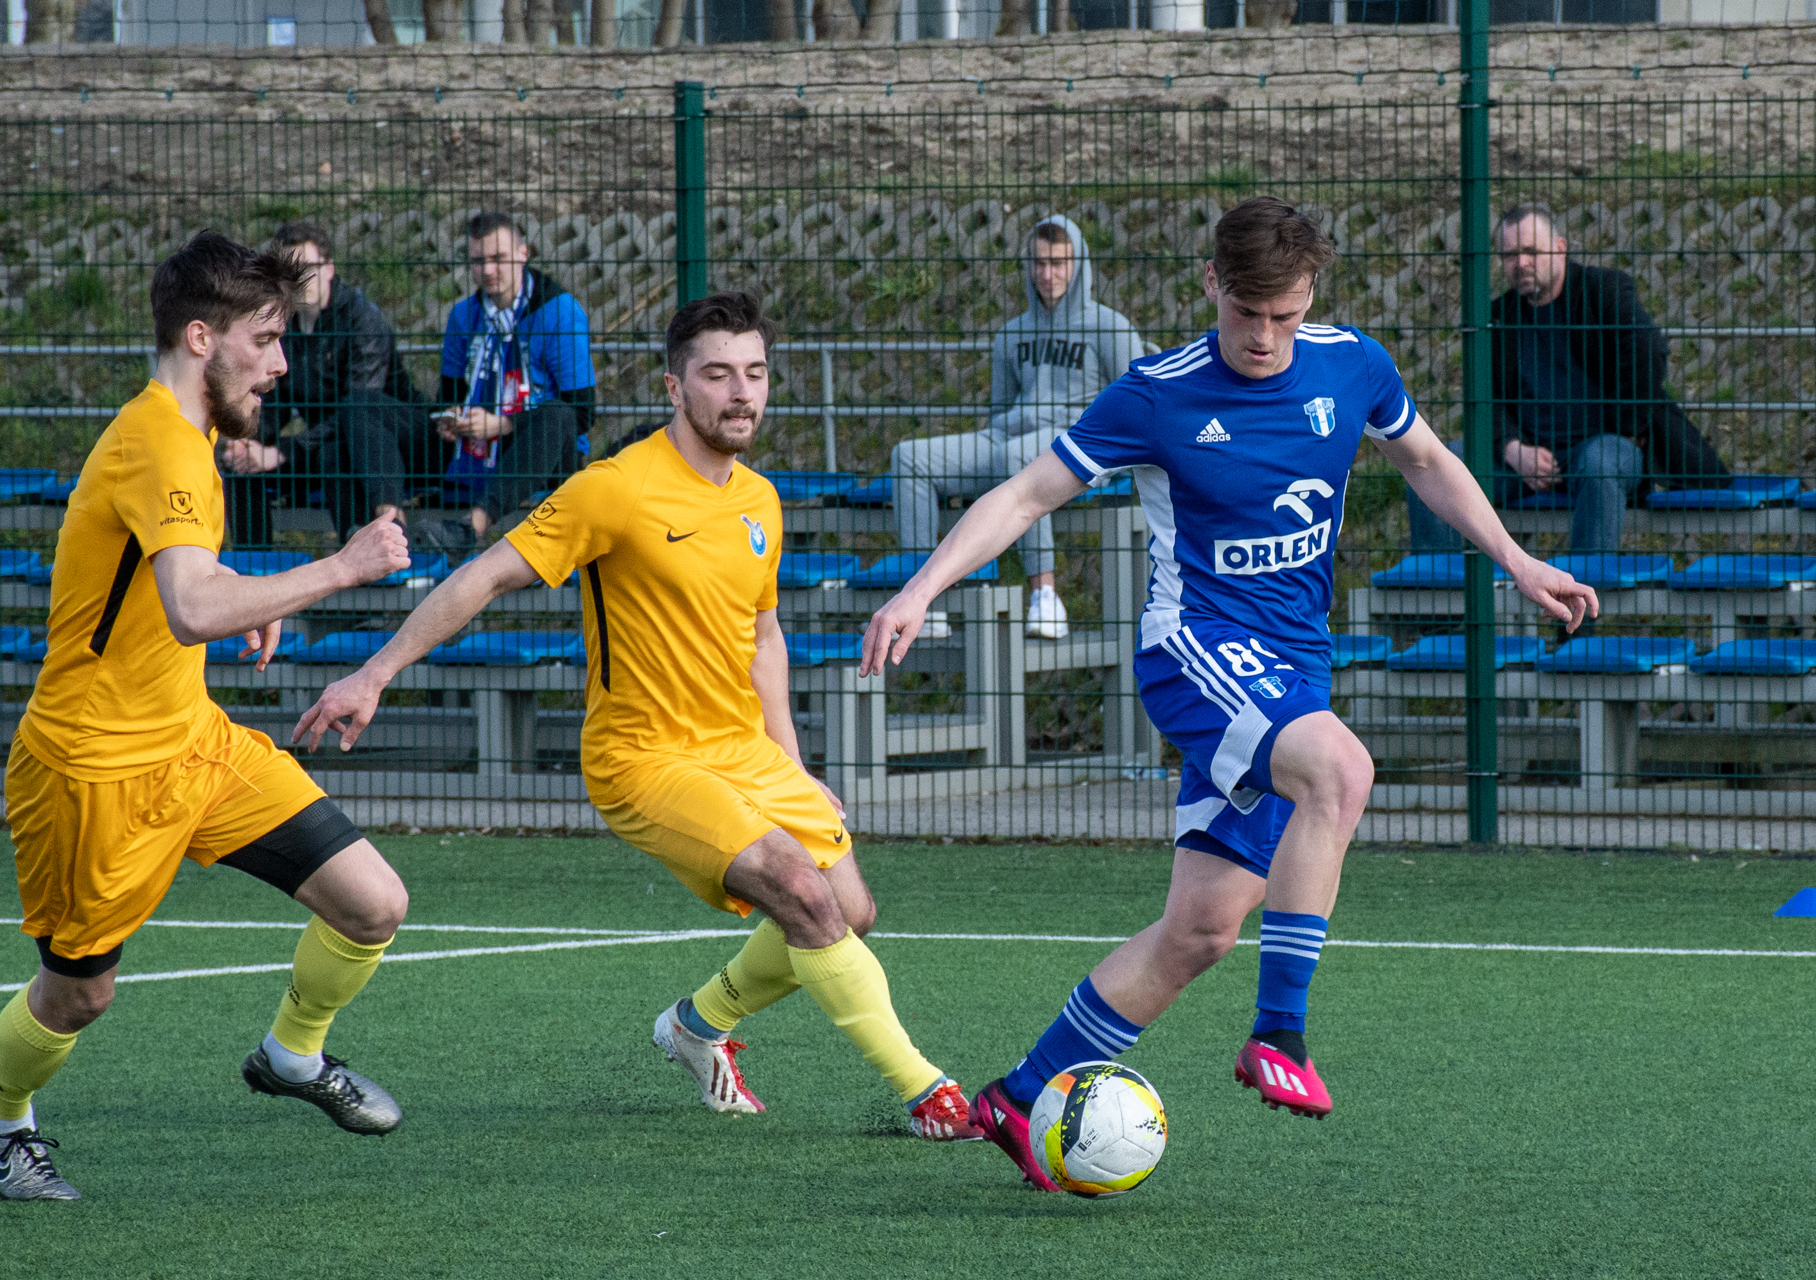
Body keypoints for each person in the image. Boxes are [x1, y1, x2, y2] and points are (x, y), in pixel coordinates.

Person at [859, 198, 1598, 1191]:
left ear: (1312, 296)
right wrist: (919, 589)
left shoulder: (1352, 366)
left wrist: (1517, 559)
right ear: (1212, 283)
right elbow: (1027, 494)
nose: (1264, 336)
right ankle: (1278, 1033)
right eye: (1248, 312)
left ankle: (1018, 1095)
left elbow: (1425, 459)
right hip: (1195, 650)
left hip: (1293, 667)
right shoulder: (1156, 394)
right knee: (1341, 771)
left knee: (1201, 930)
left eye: (1285, 315)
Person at [291, 292, 984, 1144]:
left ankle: (697, 1025)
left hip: (743, 750)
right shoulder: (615, 489)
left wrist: (794, 764)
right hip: (643, 758)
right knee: (802, 893)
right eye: (718, 374)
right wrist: (376, 671)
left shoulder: (760, 500)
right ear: (673, 386)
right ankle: (932, 1095)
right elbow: (485, 575)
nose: (742, 393)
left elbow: (764, 637)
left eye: (756, 373)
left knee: (850, 909)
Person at [0, 231, 417, 1201]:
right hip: (93, 770)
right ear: (202, 337)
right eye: (267, 339)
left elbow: (182, 583)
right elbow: (192, 608)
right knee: (79, 994)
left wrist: (250, 595)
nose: (282, 363)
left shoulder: (188, 432)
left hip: (194, 744)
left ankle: (291, 1055)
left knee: (373, 901)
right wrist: (341, 566)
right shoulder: (159, 439)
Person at [1406, 203, 1730, 555]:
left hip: (1603, 447)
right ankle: (1439, 584)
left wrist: (1624, 427)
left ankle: (1584, 585)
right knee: (1433, 464)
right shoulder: (1497, 317)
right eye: (1510, 255)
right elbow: (1484, 397)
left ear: (1560, 248)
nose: (1521, 263)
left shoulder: (1604, 291)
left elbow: (1647, 355)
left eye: (1531, 251)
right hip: (1526, 458)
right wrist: (1513, 449)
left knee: (1599, 463)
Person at [889, 216, 1148, 640]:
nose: (1048, 274)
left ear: (1078, 264)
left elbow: (1134, 408)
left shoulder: (1110, 328)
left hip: (1080, 445)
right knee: (910, 457)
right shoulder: (1011, 334)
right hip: (1009, 438)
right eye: (1039, 263)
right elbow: (999, 409)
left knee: (1018, 456)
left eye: (1059, 263)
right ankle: (922, 598)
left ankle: (1045, 595)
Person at [346, 211, 594, 558]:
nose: (488, 270)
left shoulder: (559, 311)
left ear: (523, 253)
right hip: (470, 446)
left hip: (535, 448)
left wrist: (501, 424)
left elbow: (581, 413)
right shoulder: (463, 315)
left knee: (558, 415)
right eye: (478, 261)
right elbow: (448, 398)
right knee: (361, 404)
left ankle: (469, 528)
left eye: (498, 258)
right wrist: (450, 419)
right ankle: (390, 528)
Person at [222, 221, 423, 546]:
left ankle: (363, 552)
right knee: (241, 464)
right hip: (314, 444)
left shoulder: (362, 319)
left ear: (329, 269)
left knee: (336, 451)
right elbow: (276, 402)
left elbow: (358, 410)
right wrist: (250, 442)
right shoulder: (284, 326)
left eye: (308, 268)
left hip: (382, 449)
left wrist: (282, 452)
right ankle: (253, 563)